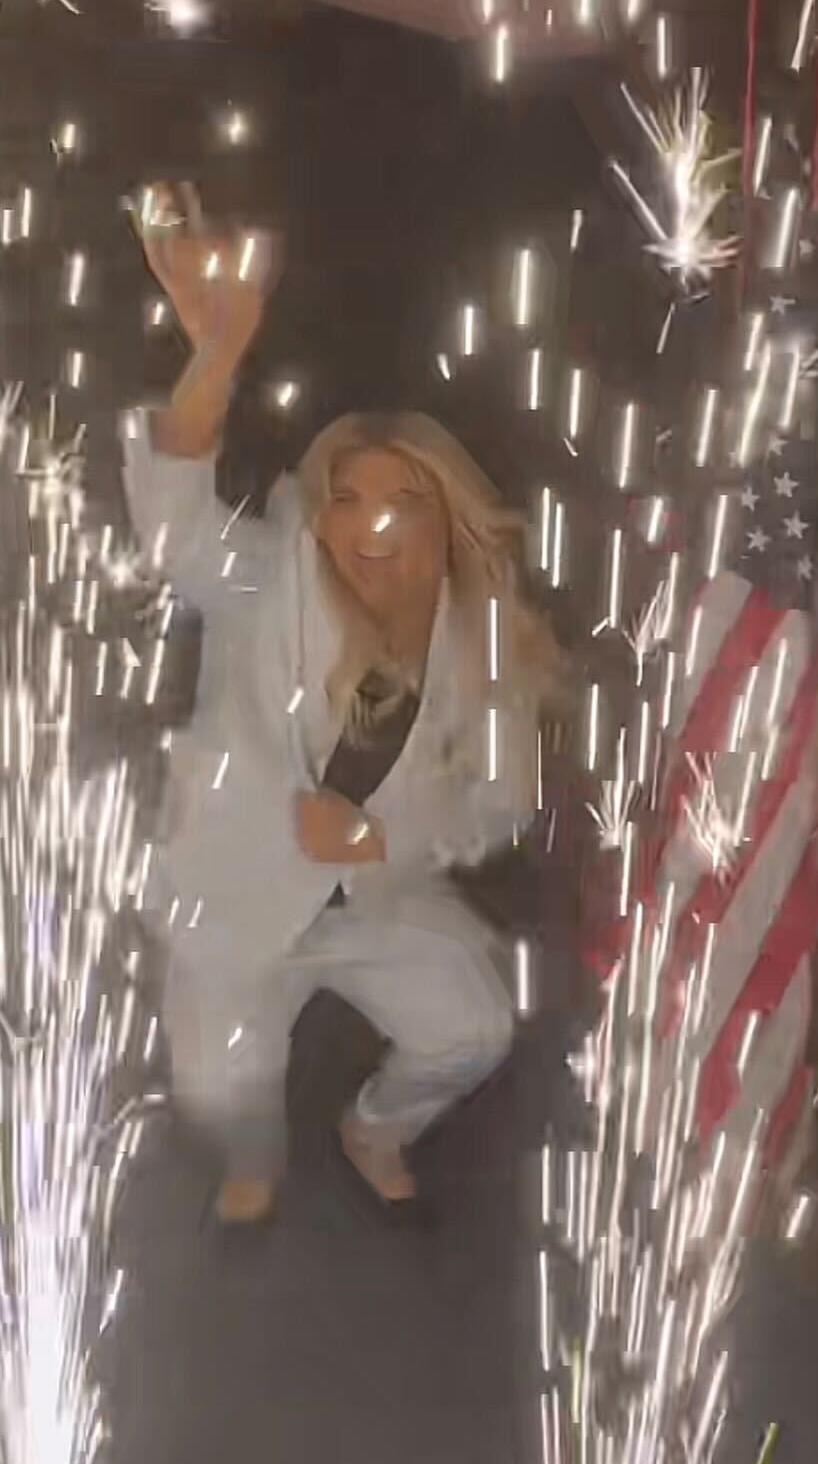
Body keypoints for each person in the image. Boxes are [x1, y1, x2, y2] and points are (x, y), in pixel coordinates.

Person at [121, 187, 558, 1224]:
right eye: (348, 499)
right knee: (220, 1091)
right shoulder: (267, 577)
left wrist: (380, 840)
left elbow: (501, 802)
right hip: (235, 888)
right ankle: (253, 1154)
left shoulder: (483, 642)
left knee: (475, 1028)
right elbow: (174, 531)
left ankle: (375, 1126)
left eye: (402, 502)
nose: (372, 527)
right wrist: (215, 355)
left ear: (446, 519)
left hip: (376, 901)